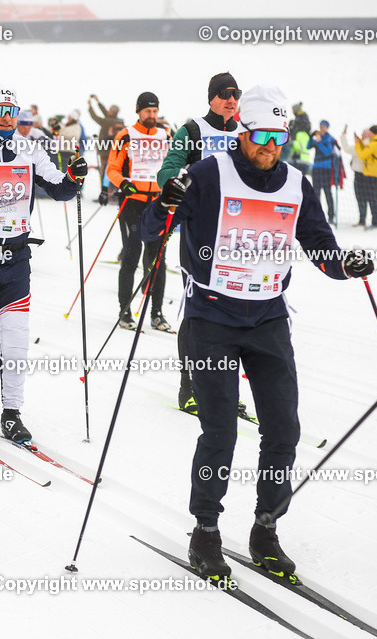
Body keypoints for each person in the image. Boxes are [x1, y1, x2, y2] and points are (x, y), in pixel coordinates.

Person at [138, 84, 373, 582]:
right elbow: (151, 233)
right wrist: (165, 203)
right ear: (242, 131)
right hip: (211, 318)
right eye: (263, 134)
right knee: (220, 430)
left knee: (284, 429)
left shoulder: (295, 183)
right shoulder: (207, 173)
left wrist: (346, 265)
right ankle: (205, 530)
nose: (271, 145)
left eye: (280, 136)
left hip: (268, 318)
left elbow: (319, 245)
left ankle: (266, 527)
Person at [0, 82, 86, 445]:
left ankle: (11, 413)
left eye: (13, 112)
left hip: (16, 258)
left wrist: (74, 176)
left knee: (16, 343)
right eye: (0, 111)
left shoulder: (30, 149)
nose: (8, 118)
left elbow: (58, 187)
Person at [156, 72, 242, 414]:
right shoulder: (192, 130)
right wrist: (173, 185)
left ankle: (224, 389)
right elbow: (168, 168)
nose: (231, 99)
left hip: (238, 237)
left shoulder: (247, 133)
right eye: (224, 94)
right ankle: (188, 388)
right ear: (211, 98)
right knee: (198, 313)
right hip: (200, 235)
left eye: (236, 94)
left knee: (236, 315)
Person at [106, 91, 170, 331]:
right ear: (138, 111)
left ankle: (157, 312)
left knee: (157, 261)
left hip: (158, 203)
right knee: (131, 256)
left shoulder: (166, 135)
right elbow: (112, 168)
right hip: (133, 202)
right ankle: (125, 311)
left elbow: (173, 165)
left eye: (155, 111)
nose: (152, 115)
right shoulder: (125, 135)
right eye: (147, 111)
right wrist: (122, 183)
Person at [87, 94, 121, 199]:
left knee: (104, 173)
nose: (108, 111)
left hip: (106, 152)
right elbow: (104, 111)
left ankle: (106, 195)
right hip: (107, 151)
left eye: (110, 110)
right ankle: (107, 194)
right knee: (106, 173)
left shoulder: (109, 121)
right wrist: (97, 101)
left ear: (113, 112)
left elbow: (96, 118)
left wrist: (90, 107)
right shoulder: (112, 119)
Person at [354, 125, 377, 228]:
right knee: (374, 197)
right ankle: (375, 221)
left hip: (374, 174)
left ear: (373, 133)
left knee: (373, 198)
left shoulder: (374, 144)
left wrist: (358, 144)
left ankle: (375, 221)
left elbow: (362, 155)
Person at [307, 120, 336, 222]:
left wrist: (319, 143)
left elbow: (327, 152)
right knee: (316, 192)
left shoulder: (330, 139)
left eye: (324, 126)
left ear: (327, 128)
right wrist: (311, 137)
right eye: (321, 126)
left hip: (326, 169)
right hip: (316, 168)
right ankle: (317, 214)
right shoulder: (318, 138)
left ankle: (331, 215)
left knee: (327, 192)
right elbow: (308, 147)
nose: (322, 128)